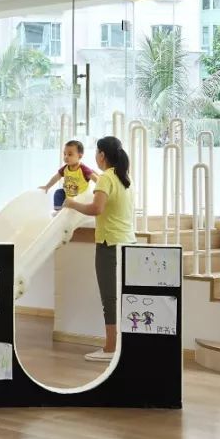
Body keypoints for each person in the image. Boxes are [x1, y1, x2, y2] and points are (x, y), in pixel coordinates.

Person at [63, 136, 136, 362]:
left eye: (96, 152)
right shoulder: (124, 177)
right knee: (122, 297)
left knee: (109, 299)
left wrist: (72, 203)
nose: (95, 156)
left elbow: (96, 208)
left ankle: (111, 348)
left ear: (102, 155)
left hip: (109, 244)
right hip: (127, 242)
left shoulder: (106, 178)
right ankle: (119, 346)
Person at [40, 140, 99, 211]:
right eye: (64, 154)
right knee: (58, 193)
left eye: (70, 154)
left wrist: (103, 188)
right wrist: (47, 186)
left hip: (79, 197)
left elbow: (97, 179)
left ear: (80, 156)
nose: (66, 157)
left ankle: (64, 211)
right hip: (68, 194)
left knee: (72, 202)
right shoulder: (65, 168)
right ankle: (58, 211)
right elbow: (56, 177)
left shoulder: (84, 169)